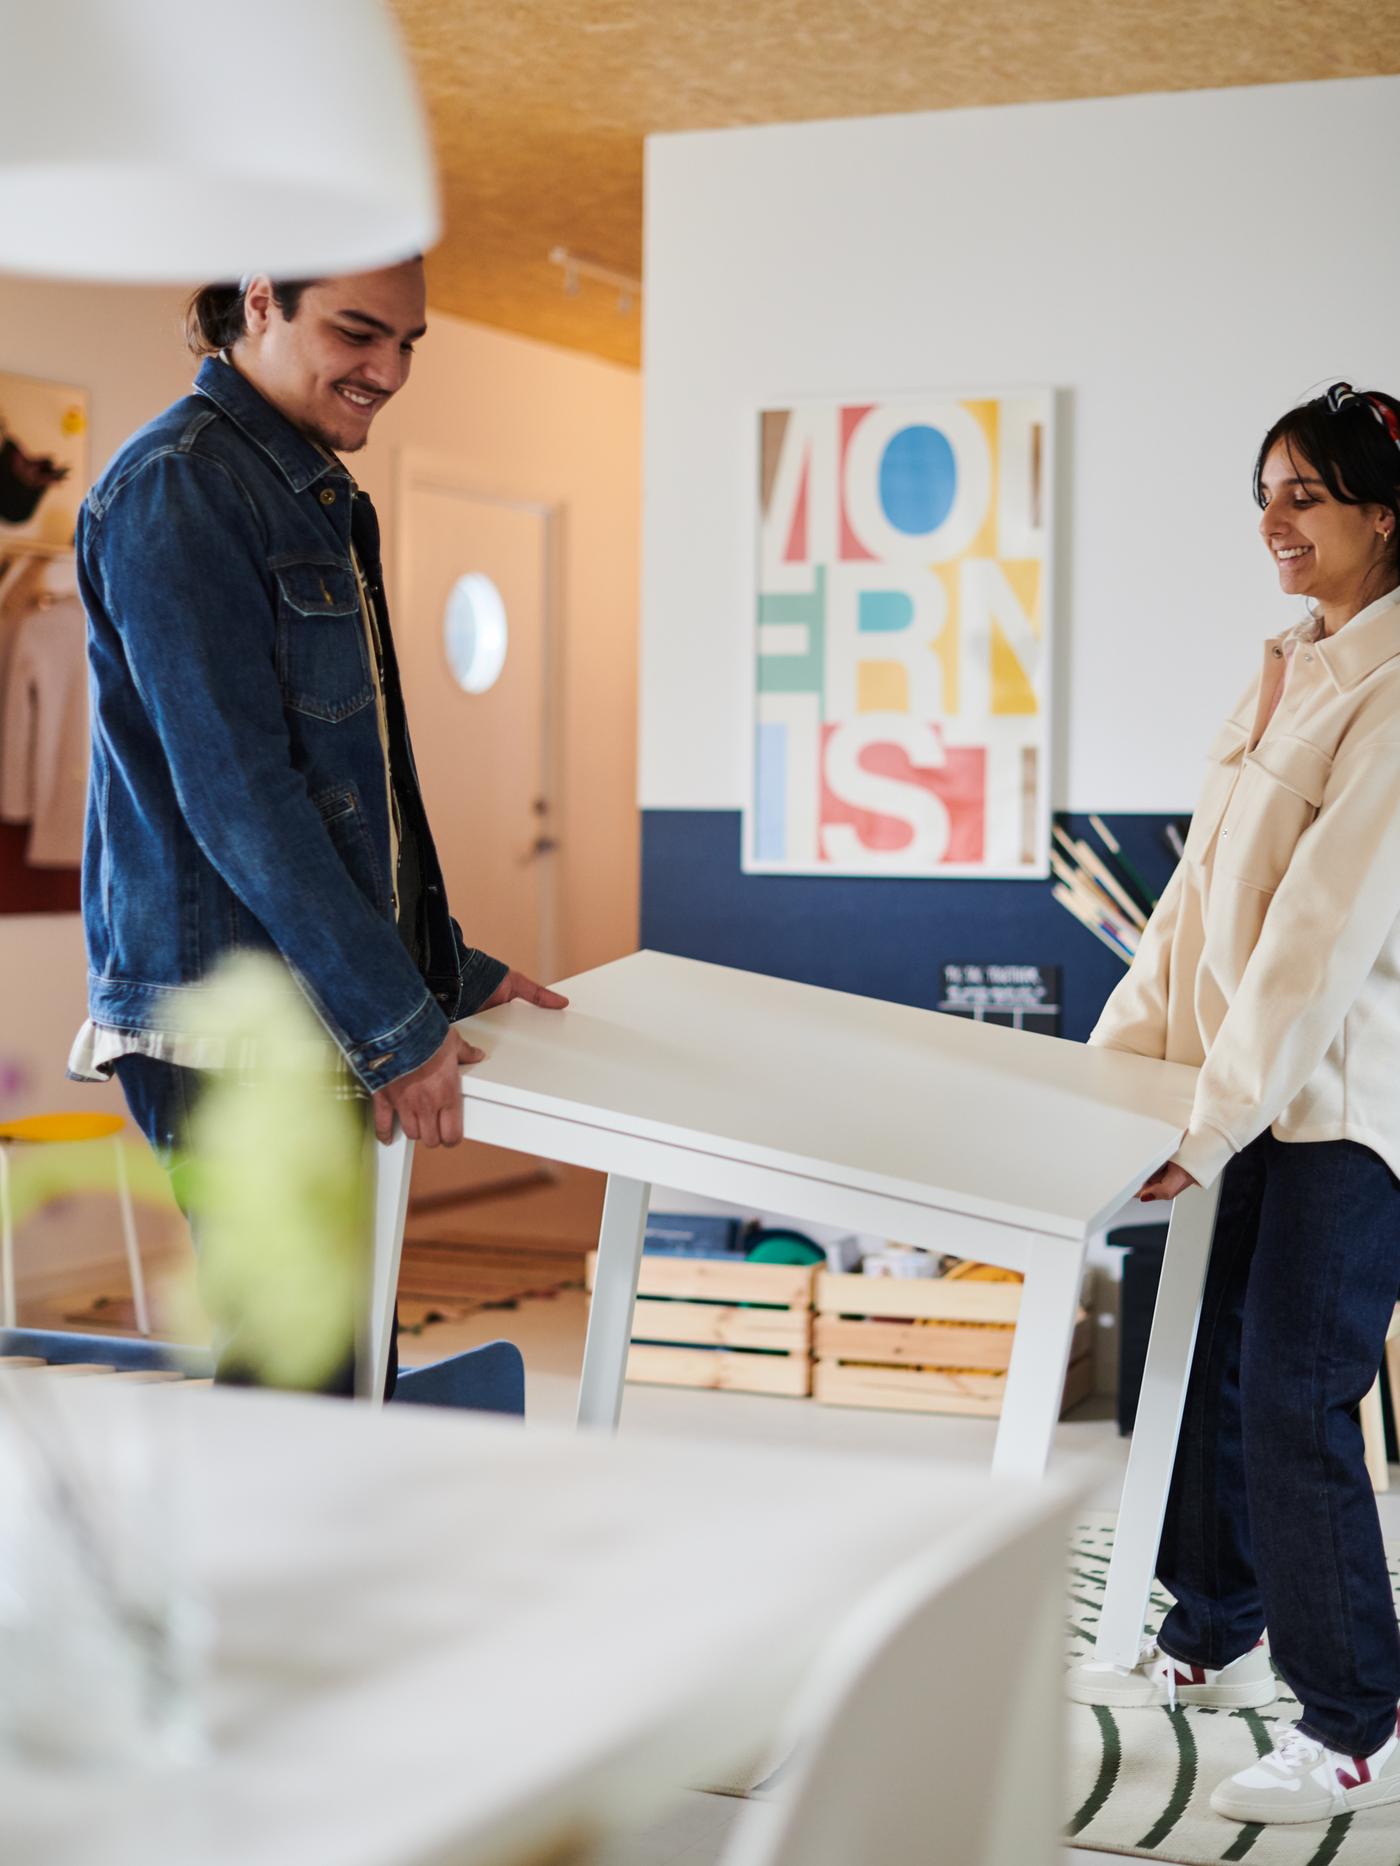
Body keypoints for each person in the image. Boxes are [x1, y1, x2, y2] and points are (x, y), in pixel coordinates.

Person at [68, 262, 566, 1392]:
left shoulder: (310, 491)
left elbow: (358, 786)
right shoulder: (180, 489)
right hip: (230, 1023)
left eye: (408, 344)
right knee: (302, 1386)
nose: (387, 373)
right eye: (357, 333)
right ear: (259, 303)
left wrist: (441, 966)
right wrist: (397, 1023)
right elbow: (241, 798)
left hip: (296, 1004)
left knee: (337, 1375)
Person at [1067, 382, 1400, 1824]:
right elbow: (1197, 904)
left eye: (1305, 495)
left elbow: (1315, 940)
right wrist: (1108, 1081)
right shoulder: (1285, 664)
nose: (1273, 522)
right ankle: (1211, 1624)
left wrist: (1208, 1123)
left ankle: (1354, 1725)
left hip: (1330, 1111)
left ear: (1385, 514)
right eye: (1263, 492)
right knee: (1188, 1361)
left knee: (1291, 1395)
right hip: (1230, 1093)